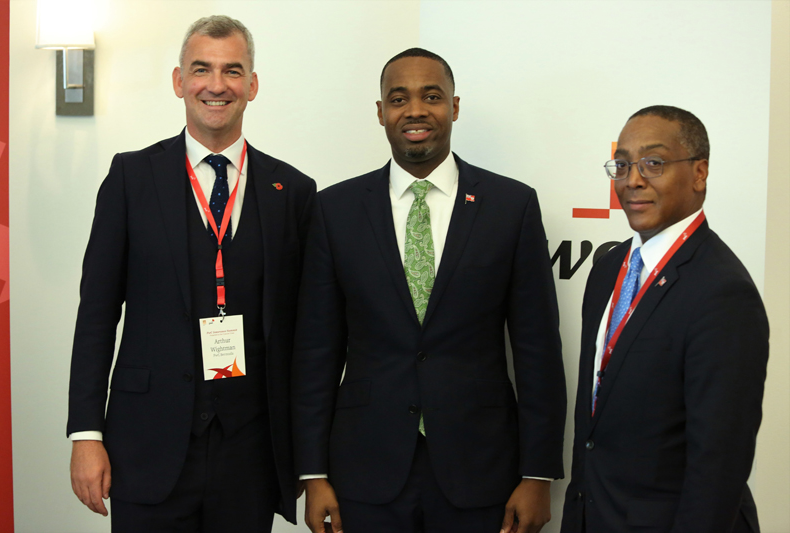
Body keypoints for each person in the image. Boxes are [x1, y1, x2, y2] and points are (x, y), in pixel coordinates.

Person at [292, 48, 566, 533]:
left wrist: (537, 473)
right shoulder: (335, 210)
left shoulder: (511, 206)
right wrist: (313, 473)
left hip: (481, 470)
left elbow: (537, 350)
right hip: (364, 470)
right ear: (381, 112)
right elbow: (317, 351)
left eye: (432, 96)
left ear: (454, 107)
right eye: (399, 99)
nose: (415, 110)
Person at [67, 15, 315, 532]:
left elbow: (308, 334)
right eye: (202, 69)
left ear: (252, 85)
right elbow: (96, 315)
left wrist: (308, 455)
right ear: (180, 81)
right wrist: (86, 434)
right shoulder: (131, 177)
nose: (216, 85)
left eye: (232, 71)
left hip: (251, 455)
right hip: (146, 446)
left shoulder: (293, 191)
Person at [561, 105, 768, 533]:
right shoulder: (609, 268)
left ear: (699, 173)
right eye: (622, 165)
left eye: (653, 163)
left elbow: (719, 464)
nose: (633, 180)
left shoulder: (722, 291)